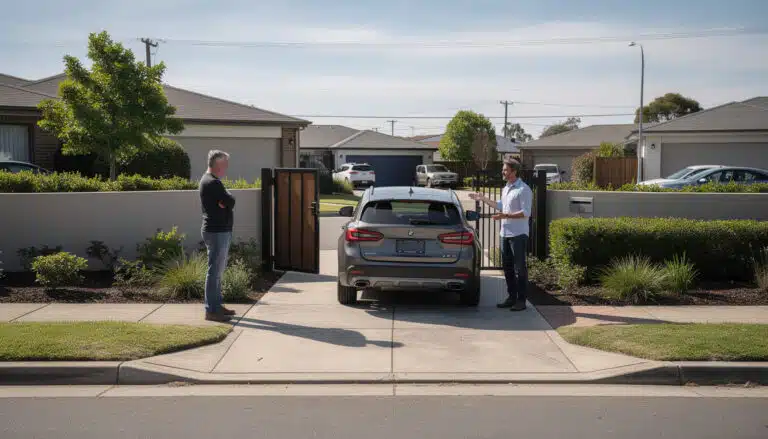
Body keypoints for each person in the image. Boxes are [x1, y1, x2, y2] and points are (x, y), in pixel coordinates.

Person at [469, 159, 533, 311]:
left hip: (518, 234)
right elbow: (499, 205)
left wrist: (504, 215)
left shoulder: (524, 189)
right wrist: (482, 198)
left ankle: (521, 300)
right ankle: (511, 297)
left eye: (505, 170)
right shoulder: (506, 188)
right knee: (508, 268)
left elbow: (526, 213)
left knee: (519, 268)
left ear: (514, 171)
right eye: (503, 170)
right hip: (505, 233)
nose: (503, 172)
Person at [199, 150, 237, 322]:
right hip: (217, 231)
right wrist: (227, 200)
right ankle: (212, 310)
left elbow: (227, 201)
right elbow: (230, 201)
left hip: (218, 230)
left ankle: (216, 306)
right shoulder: (212, 183)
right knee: (214, 271)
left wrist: (227, 200)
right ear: (218, 164)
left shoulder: (212, 181)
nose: (227, 167)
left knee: (217, 271)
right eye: (225, 164)